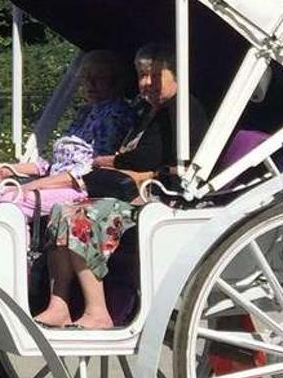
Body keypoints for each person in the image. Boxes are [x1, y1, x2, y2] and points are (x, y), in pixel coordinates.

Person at [36, 42, 209, 329]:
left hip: (158, 199)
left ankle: (98, 311)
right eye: (142, 76)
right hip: (134, 194)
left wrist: (116, 162)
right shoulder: (151, 110)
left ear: (175, 76)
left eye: (154, 76)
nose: (145, 83)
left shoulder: (180, 111)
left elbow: (148, 158)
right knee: (61, 213)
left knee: (82, 220)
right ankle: (60, 304)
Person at [0, 49, 136, 216]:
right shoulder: (86, 112)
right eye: (85, 77)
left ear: (116, 81)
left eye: (99, 77)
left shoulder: (116, 114)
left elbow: (93, 168)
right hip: (58, 183)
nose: (90, 83)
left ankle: (18, 241)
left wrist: (33, 186)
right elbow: (55, 165)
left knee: (2, 202)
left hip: (82, 188)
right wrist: (9, 169)